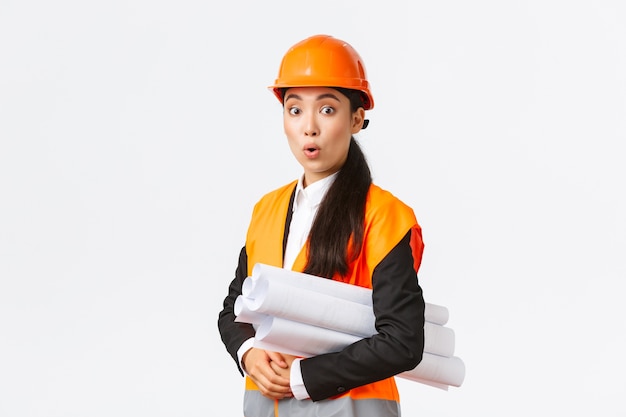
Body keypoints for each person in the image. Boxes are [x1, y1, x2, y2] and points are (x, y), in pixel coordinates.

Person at [217, 34, 426, 417]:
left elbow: (403, 341)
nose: (308, 127)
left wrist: (304, 376)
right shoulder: (267, 208)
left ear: (357, 119)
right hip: (265, 406)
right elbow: (234, 308)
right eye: (295, 110)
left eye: (327, 110)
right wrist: (248, 353)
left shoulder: (384, 215)